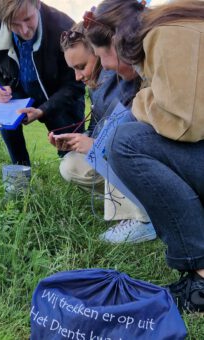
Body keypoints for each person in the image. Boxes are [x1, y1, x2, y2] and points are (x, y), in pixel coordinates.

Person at [86, 0, 204, 312]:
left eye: (101, 57)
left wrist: (141, 100)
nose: (106, 67)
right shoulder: (167, 29)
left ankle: (202, 274)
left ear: (115, 40)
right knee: (130, 137)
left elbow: (185, 123)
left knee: (125, 142)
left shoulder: (165, 35)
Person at [48, 22, 156, 244]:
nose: (78, 76)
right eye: (73, 70)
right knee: (71, 164)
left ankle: (144, 220)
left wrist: (98, 145)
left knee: (115, 147)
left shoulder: (129, 75)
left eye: (81, 66)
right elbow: (97, 126)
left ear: (99, 52)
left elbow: (138, 131)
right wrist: (80, 142)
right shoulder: (96, 84)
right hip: (118, 149)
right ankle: (134, 202)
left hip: (143, 156)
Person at [0, 0, 85, 166]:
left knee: (73, 156)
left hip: (59, 95)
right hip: (18, 90)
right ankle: (21, 172)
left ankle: (74, 178)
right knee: (8, 122)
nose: (24, 30)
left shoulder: (64, 27)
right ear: (4, 19)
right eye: (14, 24)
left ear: (37, 5)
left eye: (28, 19)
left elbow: (75, 85)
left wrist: (42, 110)